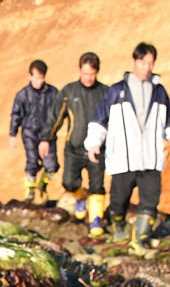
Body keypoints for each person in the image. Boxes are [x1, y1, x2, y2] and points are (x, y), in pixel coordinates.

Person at [85, 42, 170, 250]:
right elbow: (100, 120)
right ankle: (119, 227)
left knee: (150, 201)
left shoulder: (160, 92)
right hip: (124, 158)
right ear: (134, 62)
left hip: (150, 158)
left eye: (151, 63)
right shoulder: (117, 91)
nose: (147, 68)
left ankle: (140, 240)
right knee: (118, 202)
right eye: (143, 63)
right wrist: (93, 143)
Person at [39, 52, 109, 236]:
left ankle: (96, 220)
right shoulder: (69, 92)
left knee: (97, 186)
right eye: (85, 73)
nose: (88, 77)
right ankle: (80, 197)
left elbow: (115, 121)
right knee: (69, 183)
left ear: (97, 72)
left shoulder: (105, 93)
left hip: (98, 150)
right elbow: (55, 117)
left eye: (92, 74)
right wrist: (46, 138)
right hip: (74, 148)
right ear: (79, 70)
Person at [9, 59, 59, 203]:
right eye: (36, 78)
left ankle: (42, 186)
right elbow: (16, 114)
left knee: (52, 165)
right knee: (32, 161)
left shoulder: (53, 93)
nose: (39, 81)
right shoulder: (22, 95)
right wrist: (12, 134)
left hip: (48, 134)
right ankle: (29, 191)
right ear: (29, 76)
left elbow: (60, 112)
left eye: (41, 78)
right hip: (30, 133)